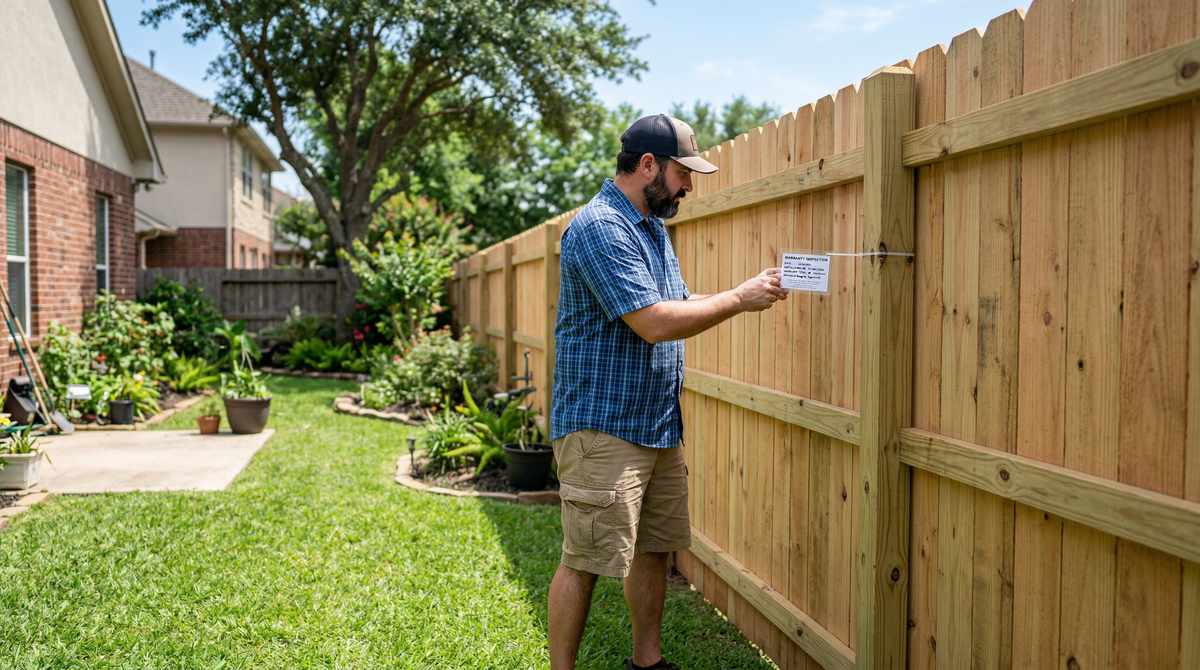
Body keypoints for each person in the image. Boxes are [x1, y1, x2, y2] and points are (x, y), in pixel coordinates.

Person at [547, 113, 787, 670]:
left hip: (656, 423)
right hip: (602, 426)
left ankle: (647, 663)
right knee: (584, 558)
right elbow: (653, 322)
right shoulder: (601, 227)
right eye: (684, 173)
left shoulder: (651, 228)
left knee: (654, 549)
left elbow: (679, 303)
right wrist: (738, 297)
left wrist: (748, 291)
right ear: (648, 164)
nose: (689, 186)